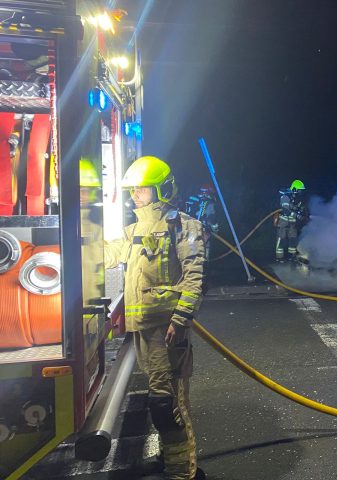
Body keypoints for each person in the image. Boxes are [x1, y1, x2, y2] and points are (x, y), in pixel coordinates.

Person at [104, 156, 205, 480]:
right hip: (143, 329)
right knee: (161, 399)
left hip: (166, 330)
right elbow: (108, 254)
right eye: (133, 190)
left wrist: (180, 319)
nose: (136, 195)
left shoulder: (183, 226)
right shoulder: (134, 229)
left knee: (167, 404)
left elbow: (193, 277)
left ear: (161, 189)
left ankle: (181, 472)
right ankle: (169, 458)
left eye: (142, 189)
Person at [274, 179, 308, 263]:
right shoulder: (285, 196)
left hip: (292, 224)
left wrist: (300, 210)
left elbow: (292, 207)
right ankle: (279, 258)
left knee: (293, 240)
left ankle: (292, 257)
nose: (300, 192)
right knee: (281, 240)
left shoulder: (294, 197)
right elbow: (285, 210)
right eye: (299, 190)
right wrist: (297, 215)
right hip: (283, 222)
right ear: (294, 189)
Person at [184, 183, 219, 260]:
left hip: (187, 230)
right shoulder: (209, 203)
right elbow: (211, 219)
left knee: (189, 253)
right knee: (202, 254)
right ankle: (204, 265)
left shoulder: (192, 199)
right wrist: (215, 229)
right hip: (201, 231)